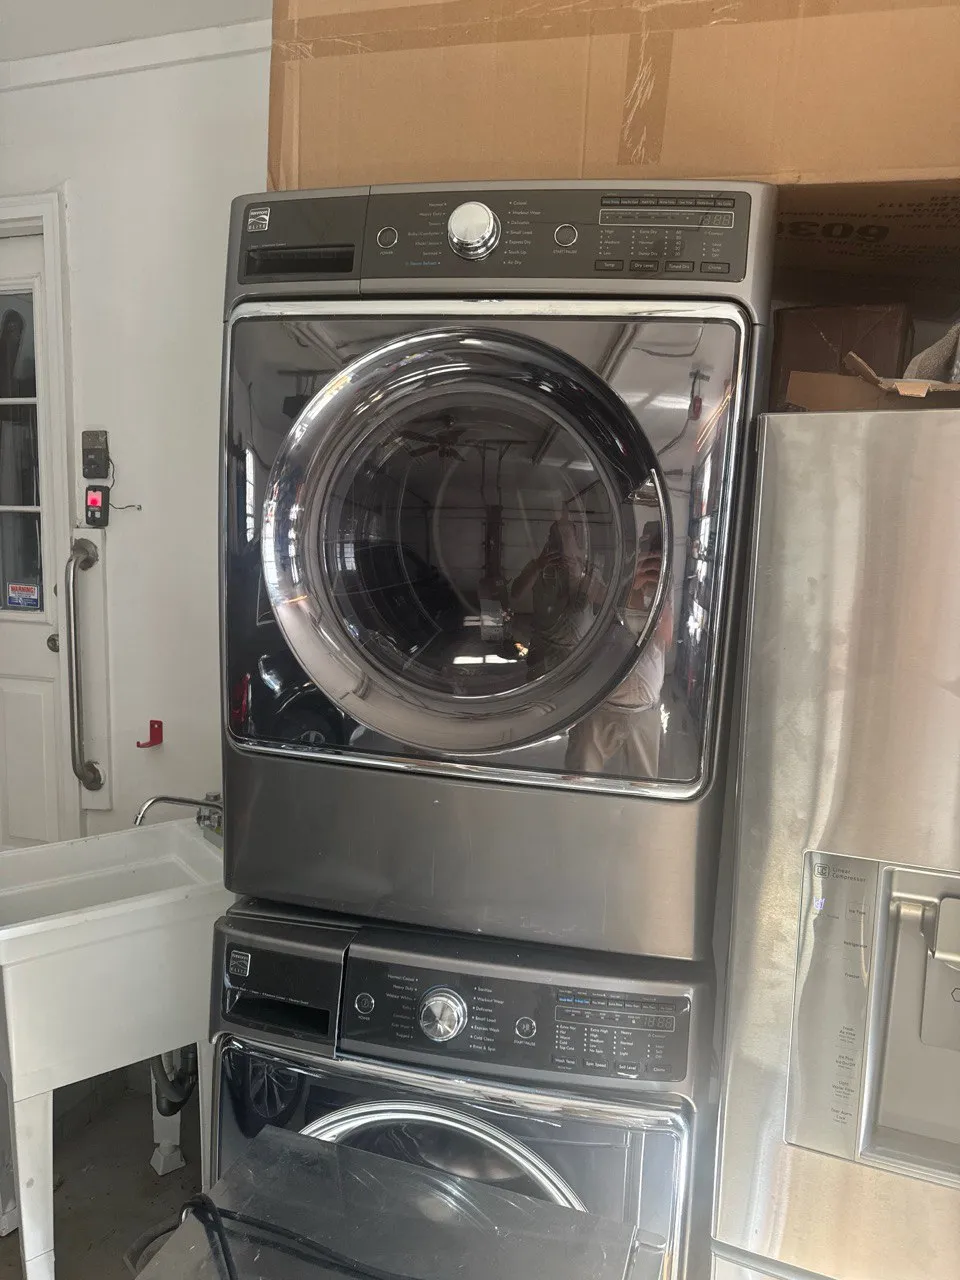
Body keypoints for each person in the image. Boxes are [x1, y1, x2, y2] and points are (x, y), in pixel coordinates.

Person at [564, 535, 673, 778]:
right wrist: (628, 587)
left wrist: (662, 600)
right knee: (578, 779)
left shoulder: (663, 584)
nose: (650, 558)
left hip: (644, 705)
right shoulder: (613, 579)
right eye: (645, 549)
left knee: (645, 787)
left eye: (656, 552)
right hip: (600, 700)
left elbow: (665, 640)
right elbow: (591, 605)